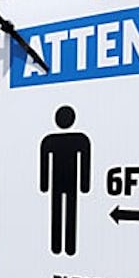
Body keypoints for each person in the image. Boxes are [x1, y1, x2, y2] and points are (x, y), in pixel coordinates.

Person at [40, 105, 92, 256]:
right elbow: (85, 162)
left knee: (60, 212)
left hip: (59, 182)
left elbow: (85, 162)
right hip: (70, 182)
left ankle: (62, 247)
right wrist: (84, 185)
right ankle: (65, 247)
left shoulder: (50, 140)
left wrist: (44, 185)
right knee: (68, 212)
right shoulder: (80, 139)